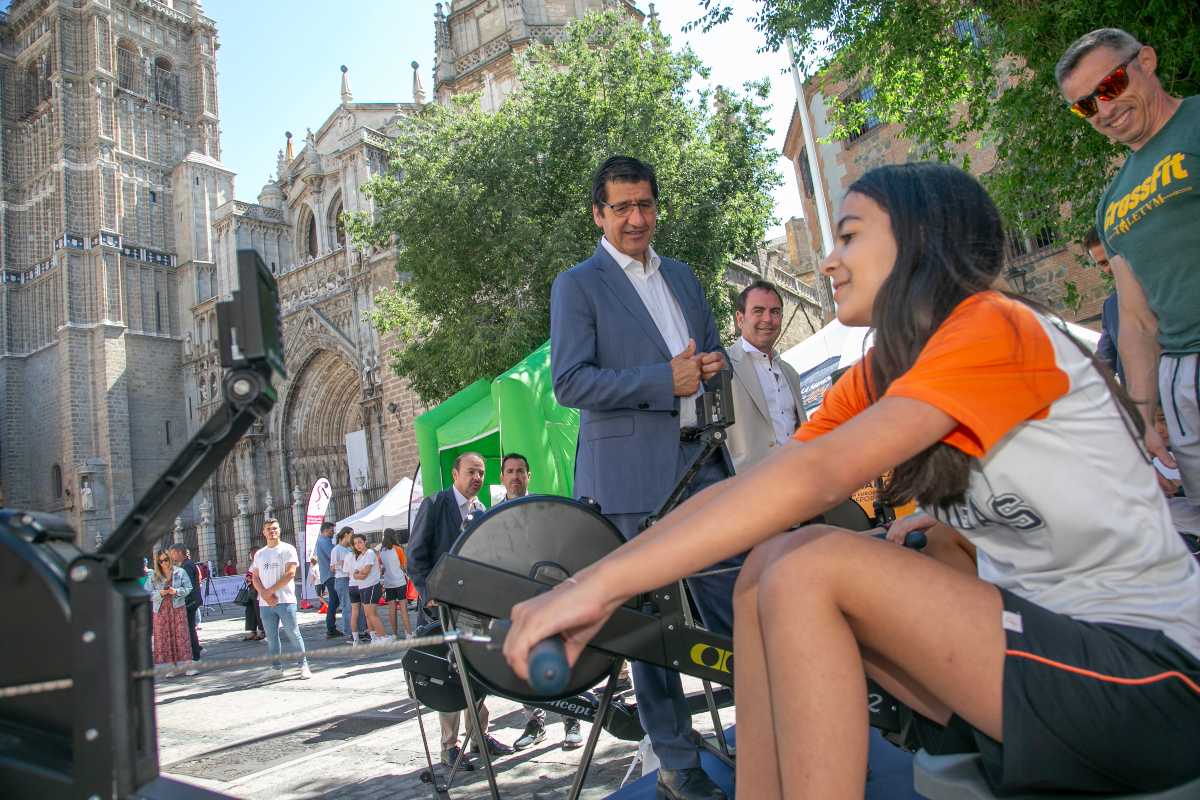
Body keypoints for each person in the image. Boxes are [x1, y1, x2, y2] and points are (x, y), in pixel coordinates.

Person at [506, 162, 1200, 797]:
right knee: (769, 563)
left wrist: (599, 587)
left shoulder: (991, 326)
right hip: (1045, 653)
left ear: (919, 241)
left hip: (1153, 672)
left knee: (813, 568)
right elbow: (764, 482)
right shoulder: (887, 368)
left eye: (848, 236)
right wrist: (590, 582)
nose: (829, 260)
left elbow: (815, 476)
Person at [549, 154, 733, 799]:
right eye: (622, 207)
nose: (636, 218)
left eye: (645, 204)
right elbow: (570, 382)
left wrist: (712, 366)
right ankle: (678, 765)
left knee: (739, 598)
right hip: (626, 480)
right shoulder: (579, 284)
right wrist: (666, 379)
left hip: (702, 465)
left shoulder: (682, 276)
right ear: (598, 214)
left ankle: (776, 722)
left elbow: (711, 355)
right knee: (652, 633)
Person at [1058, 29, 1199, 499]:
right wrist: (1141, 417)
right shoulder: (1110, 203)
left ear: (1147, 60)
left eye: (1111, 85)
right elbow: (1137, 321)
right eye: (1084, 106)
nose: (1103, 109)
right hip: (1182, 380)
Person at [409, 452, 514, 769]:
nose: (477, 478)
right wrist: (428, 594)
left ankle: (480, 737)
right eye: (471, 472)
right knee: (449, 675)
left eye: (481, 473)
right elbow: (415, 556)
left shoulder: (482, 511)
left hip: (474, 609)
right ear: (455, 473)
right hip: (440, 609)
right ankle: (450, 746)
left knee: (477, 672)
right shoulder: (435, 504)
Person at [494, 453, 585, 751]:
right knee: (521, 663)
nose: (516, 475)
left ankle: (572, 720)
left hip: (548, 597)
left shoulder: (544, 508)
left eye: (521, 470)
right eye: (510, 471)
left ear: (529, 475)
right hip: (514, 601)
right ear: (502, 477)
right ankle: (535, 723)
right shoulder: (493, 517)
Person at [726, 280, 807, 473]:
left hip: (798, 480)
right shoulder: (723, 366)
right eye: (758, 311)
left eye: (775, 312)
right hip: (749, 488)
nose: (768, 319)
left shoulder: (790, 373)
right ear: (740, 319)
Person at [250, 518, 313, 679]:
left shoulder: (287, 549)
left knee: (293, 632)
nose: (272, 531)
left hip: (285, 600)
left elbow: (290, 573)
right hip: (265, 603)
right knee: (271, 637)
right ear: (263, 532)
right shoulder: (260, 553)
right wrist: (264, 593)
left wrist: (269, 591)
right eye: (269, 529)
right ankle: (276, 668)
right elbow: (254, 576)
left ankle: (303, 665)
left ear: (279, 530)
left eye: (275, 528)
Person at [149, 549, 198, 675]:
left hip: (177, 607)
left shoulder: (180, 572)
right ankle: (172, 666)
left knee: (182, 636)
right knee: (166, 637)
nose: (164, 563)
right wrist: (160, 593)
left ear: (170, 559)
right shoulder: (154, 576)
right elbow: (147, 593)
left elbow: (188, 588)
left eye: (166, 560)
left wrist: (176, 591)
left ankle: (188, 665)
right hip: (161, 610)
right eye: (160, 561)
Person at [347, 532, 389, 644]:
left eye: (360, 542)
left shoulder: (369, 553)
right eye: (355, 543)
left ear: (365, 542)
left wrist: (358, 574)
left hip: (372, 586)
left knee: (372, 614)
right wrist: (358, 574)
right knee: (367, 615)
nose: (358, 545)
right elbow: (354, 573)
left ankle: (383, 637)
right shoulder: (360, 556)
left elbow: (365, 572)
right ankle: (374, 638)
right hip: (363, 587)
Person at [168, 544, 202, 662]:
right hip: (191, 600)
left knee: (189, 628)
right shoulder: (187, 564)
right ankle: (195, 650)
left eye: (172, 553)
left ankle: (195, 654)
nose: (171, 556)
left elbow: (188, 586)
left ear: (178, 552)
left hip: (189, 601)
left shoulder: (186, 566)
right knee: (189, 627)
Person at [331, 526, 365, 642]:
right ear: (345, 535)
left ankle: (360, 631)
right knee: (348, 607)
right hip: (342, 580)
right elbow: (332, 567)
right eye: (352, 534)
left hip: (352, 580)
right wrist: (343, 564)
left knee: (358, 607)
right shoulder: (336, 550)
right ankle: (350, 632)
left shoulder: (349, 549)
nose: (353, 537)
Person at [379, 529, 414, 638]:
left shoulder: (381, 551)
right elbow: (404, 566)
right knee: (403, 608)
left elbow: (381, 568)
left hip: (388, 582)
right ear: (394, 536)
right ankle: (408, 633)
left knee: (391, 609)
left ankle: (394, 634)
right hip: (399, 581)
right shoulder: (398, 549)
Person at [315, 520, 341, 638]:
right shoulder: (324, 541)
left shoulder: (322, 541)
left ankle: (331, 628)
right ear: (325, 531)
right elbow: (333, 555)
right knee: (334, 601)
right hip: (330, 575)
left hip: (327, 575)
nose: (333, 533)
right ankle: (331, 628)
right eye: (331, 531)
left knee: (334, 601)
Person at [242, 546, 265, 641]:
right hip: (252, 590)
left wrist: (250, 578)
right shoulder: (253, 563)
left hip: (257, 590)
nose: (250, 555)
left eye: (251, 553)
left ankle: (262, 631)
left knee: (258, 611)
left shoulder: (261, 562)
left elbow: (259, 576)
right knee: (250, 611)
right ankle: (253, 631)